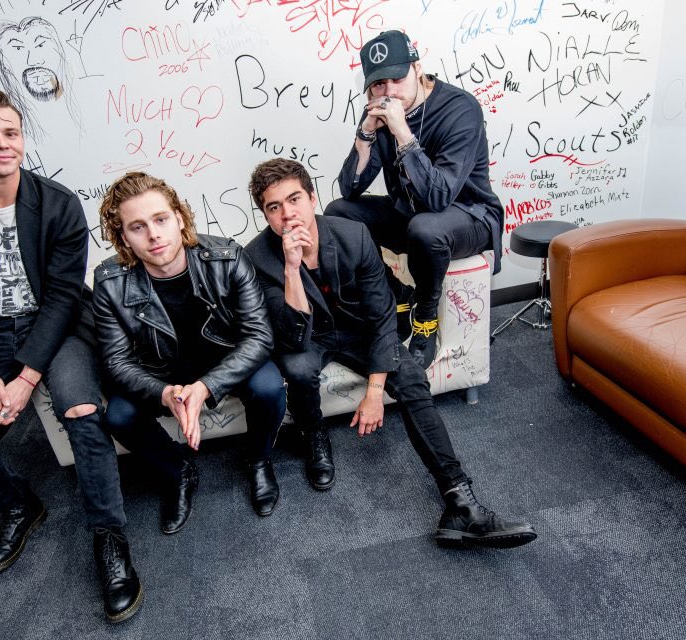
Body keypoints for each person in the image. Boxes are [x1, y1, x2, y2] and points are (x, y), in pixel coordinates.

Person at [0, 89, 141, 623]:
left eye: (10, 132)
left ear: (22, 138)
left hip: (56, 326)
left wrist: (25, 378)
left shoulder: (58, 203)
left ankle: (109, 537)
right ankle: (20, 504)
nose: (1, 143)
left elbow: (63, 297)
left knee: (81, 409)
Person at [245, 158, 536, 548]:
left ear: (312, 198)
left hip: (359, 331)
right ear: (265, 215)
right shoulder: (258, 257)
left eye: (294, 199)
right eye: (274, 207)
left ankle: (460, 501)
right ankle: (313, 436)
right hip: (309, 335)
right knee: (298, 368)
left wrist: (375, 390)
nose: (287, 214)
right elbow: (293, 337)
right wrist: (292, 270)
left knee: (412, 378)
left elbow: (382, 315)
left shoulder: (353, 235)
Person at [93, 172, 286, 529]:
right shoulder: (109, 282)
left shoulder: (227, 257)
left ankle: (258, 459)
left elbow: (259, 336)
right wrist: (164, 393)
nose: (153, 235)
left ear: (179, 218)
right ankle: (177, 471)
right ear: (124, 238)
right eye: (137, 227)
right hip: (159, 371)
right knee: (119, 415)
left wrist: (207, 386)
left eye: (161, 219)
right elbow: (116, 362)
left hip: (224, 360)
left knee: (269, 386)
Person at [325, 30, 504, 370]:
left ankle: (425, 315)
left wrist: (402, 132)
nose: (390, 92)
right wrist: (366, 133)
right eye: (379, 85)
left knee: (426, 227)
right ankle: (395, 293)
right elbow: (350, 189)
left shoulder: (460, 109)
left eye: (398, 78)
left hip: (469, 215)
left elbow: (439, 197)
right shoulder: (381, 111)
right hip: (410, 212)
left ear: (417, 69)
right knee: (337, 215)